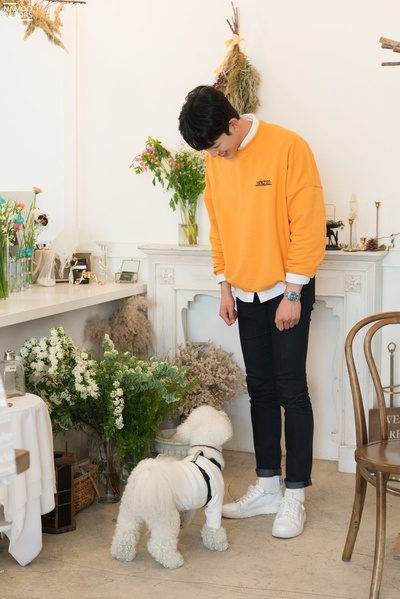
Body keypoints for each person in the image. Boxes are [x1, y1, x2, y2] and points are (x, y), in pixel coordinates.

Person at [178, 85, 326, 539]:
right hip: (244, 293)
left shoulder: (289, 147)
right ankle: (267, 486)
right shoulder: (215, 158)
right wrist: (225, 286)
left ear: (233, 123)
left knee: (291, 389)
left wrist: (293, 293)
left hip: (286, 290)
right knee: (259, 389)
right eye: (209, 152)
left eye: (217, 146)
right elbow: (219, 227)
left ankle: (295, 494)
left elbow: (308, 224)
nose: (215, 156)